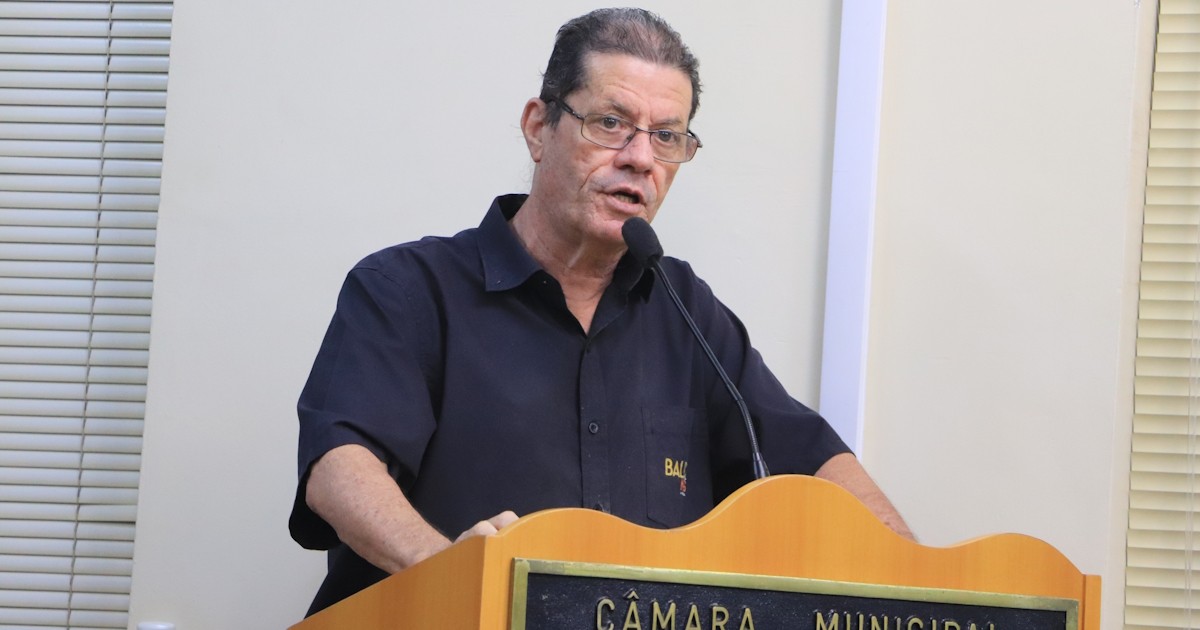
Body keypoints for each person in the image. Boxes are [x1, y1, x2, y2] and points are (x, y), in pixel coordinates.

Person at [289, 7, 913, 616]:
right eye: (612, 123)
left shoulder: (686, 310)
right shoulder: (408, 289)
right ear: (539, 128)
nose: (641, 158)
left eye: (666, 136)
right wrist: (450, 573)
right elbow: (339, 467)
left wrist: (920, 585)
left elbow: (814, 465)